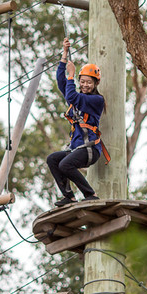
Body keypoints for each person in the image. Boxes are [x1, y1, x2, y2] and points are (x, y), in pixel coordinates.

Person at [47, 37, 108, 206]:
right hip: (76, 148)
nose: (85, 85)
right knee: (53, 159)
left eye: (89, 82)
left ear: (95, 83)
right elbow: (61, 81)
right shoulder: (77, 98)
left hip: (89, 149)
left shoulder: (96, 100)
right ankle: (69, 196)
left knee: (65, 164)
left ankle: (91, 194)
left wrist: (72, 75)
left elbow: (71, 95)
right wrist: (64, 55)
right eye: (82, 82)